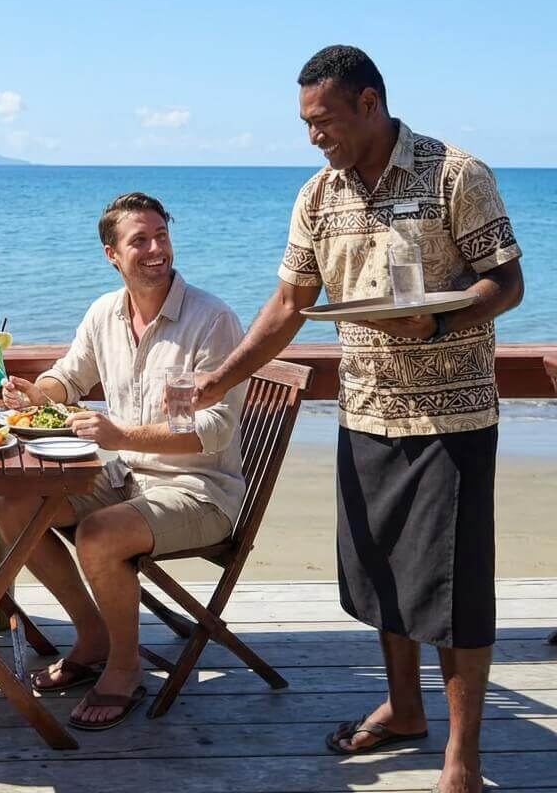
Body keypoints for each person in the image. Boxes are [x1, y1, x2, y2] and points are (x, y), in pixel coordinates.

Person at [192, 46, 523, 793]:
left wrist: (436, 326)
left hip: (452, 416)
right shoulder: (317, 195)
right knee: (383, 575)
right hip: (365, 410)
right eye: (306, 123)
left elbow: (505, 281)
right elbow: (289, 303)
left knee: (455, 589)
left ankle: (463, 763)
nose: (315, 136)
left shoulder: (453, 174)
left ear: (370, 103)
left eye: (325, 120)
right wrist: (220, 376)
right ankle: (405, 711)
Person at [0, 192, 246, 731]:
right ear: (112, 254)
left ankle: (126, 669)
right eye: (140, 240)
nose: (156, 249)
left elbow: (213, 430)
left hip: (199, 490)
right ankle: (94, 634)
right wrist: (35, 395)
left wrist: (120, 432)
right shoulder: (104, 312)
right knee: (12, 505)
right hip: (127, 478)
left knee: (100, 535)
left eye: (162, 236)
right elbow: (70, 377)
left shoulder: (212, 319)